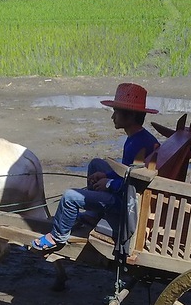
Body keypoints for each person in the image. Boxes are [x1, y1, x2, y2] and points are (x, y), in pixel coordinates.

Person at [30, 82, 159, 252]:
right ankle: (92, 215)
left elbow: (133, 186)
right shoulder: (140, 138)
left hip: (127, 204)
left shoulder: (138, 146)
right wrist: (105, 175)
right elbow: (127, 173)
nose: (113, 117)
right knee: (96, 164)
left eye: (116, 112)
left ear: (131, 115)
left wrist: (108, 183)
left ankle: (57, 236)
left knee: (69, 197)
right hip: (130, 191)